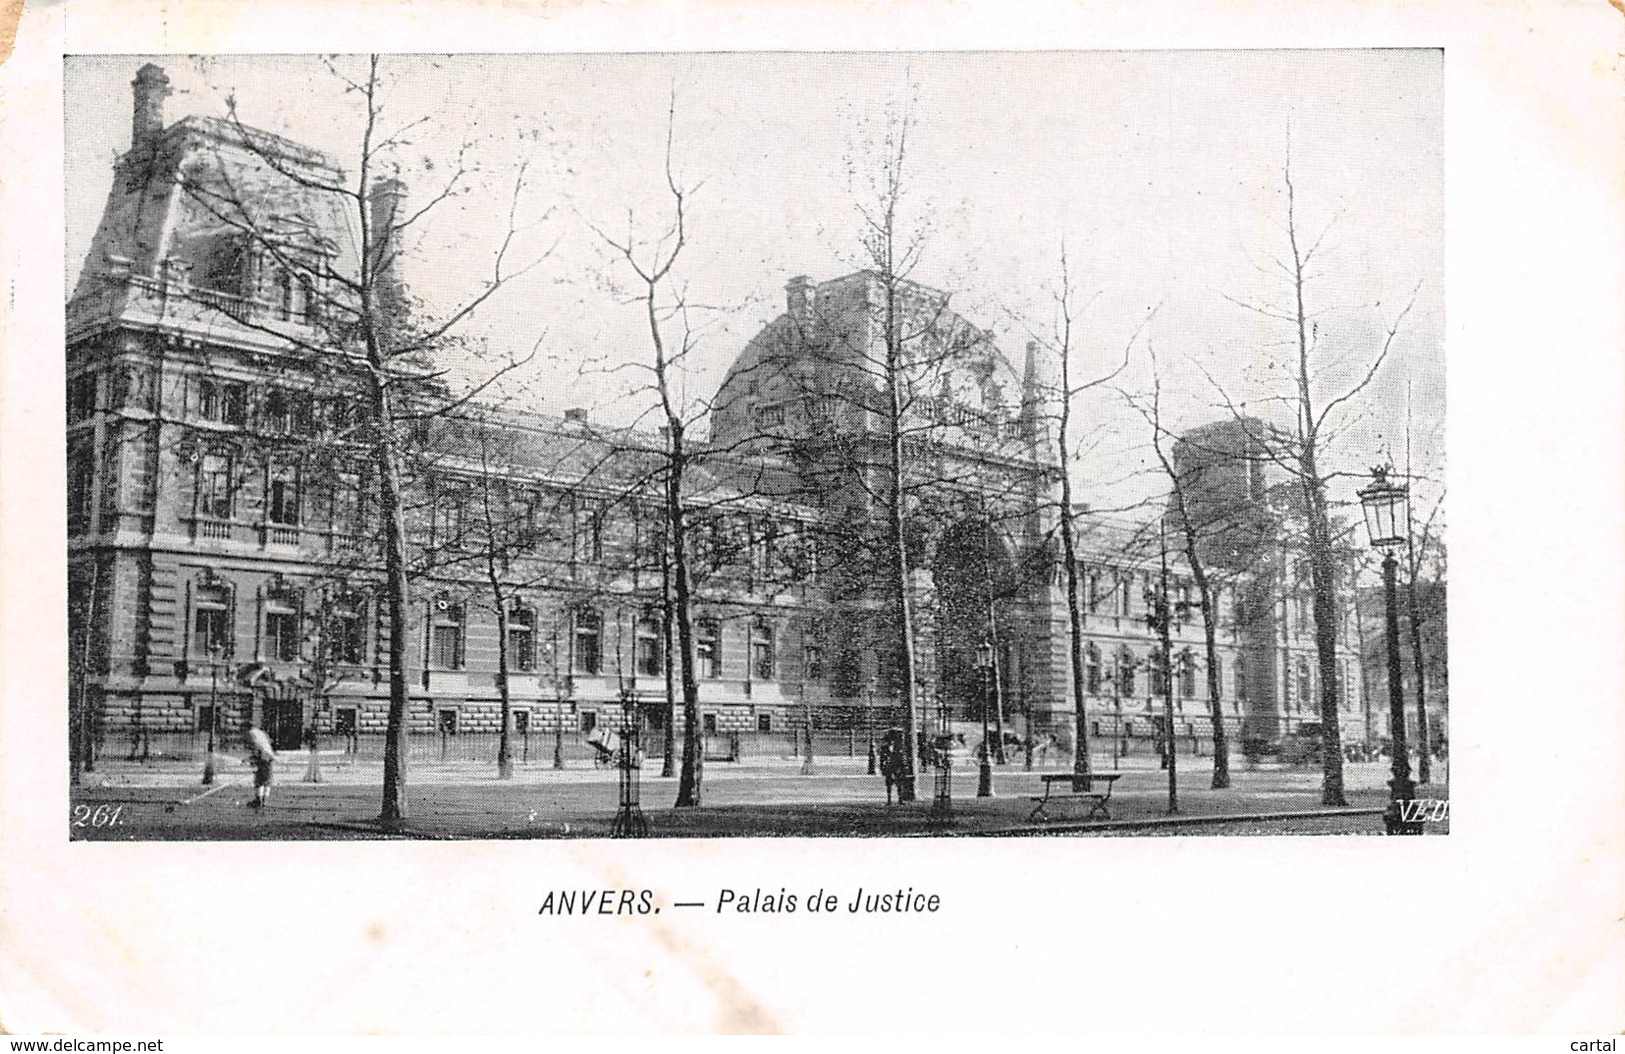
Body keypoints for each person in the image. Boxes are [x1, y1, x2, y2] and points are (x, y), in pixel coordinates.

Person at [243, 725, 276, 809]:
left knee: (259, 781)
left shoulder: (251, 734)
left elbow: (255, 749)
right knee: (267, 781)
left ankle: (258, 800)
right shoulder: (260, 733)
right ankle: (264, 800)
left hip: (262, 758)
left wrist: (251, 760)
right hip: (269, 758)